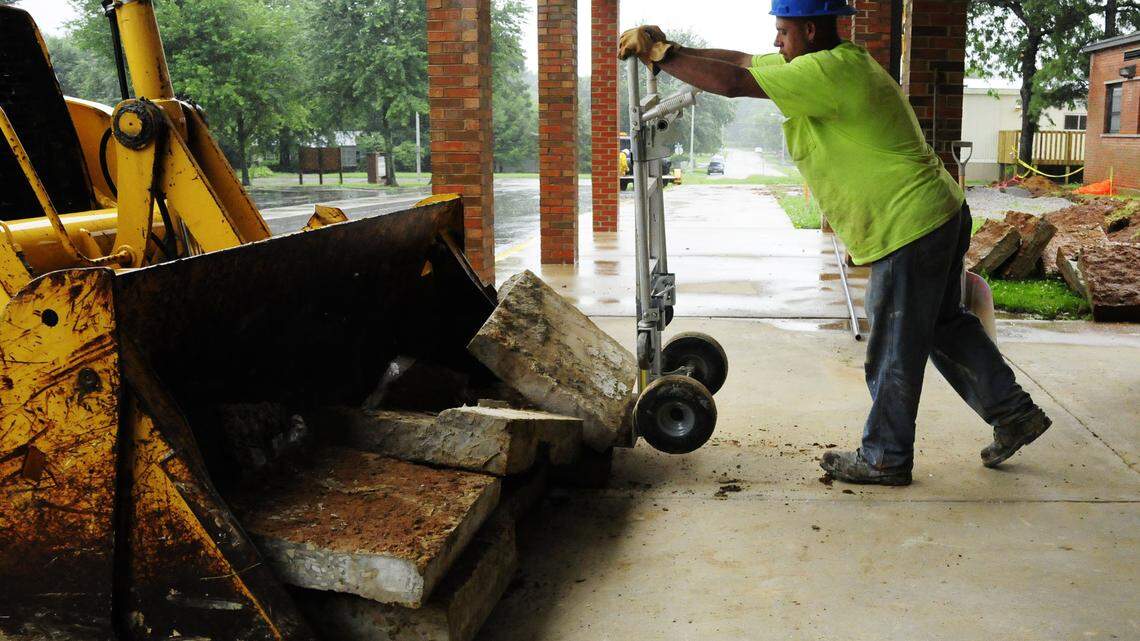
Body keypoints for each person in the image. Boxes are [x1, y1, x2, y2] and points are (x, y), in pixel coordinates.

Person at [618, 0, 1052, 486]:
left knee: (893, 347)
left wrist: (660, 59)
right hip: (936, 214)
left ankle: (885, 457)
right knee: (944, 326)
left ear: (807, 30)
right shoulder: (824, 61)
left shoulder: (828, 72)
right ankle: (1014, 414)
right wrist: (674, 48)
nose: (775, 42)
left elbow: (736, 83)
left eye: (782, 32)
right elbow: (740, 62)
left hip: (908, 224)